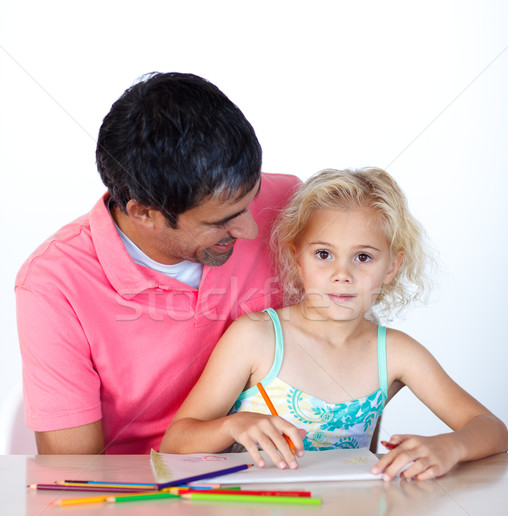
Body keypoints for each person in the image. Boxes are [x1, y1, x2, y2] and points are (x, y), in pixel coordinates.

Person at [15, 72, 300, 455]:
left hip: (282, 481)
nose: (251, 228)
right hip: (143, 496)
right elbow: (75, 475)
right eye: (220, 221)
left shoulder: (292, 204)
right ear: (144, 213)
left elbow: (358, 347)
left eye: (251, 199)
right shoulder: (53, 284)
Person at [161, 167, 508, 480]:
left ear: (391, 267)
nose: (342, 275)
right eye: (323, 254)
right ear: (298, 259)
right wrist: (231, 426)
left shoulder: (396, 353)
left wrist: (451, 447)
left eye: (363, 257)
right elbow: (175, 442)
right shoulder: (256, 337)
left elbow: (492, 429)